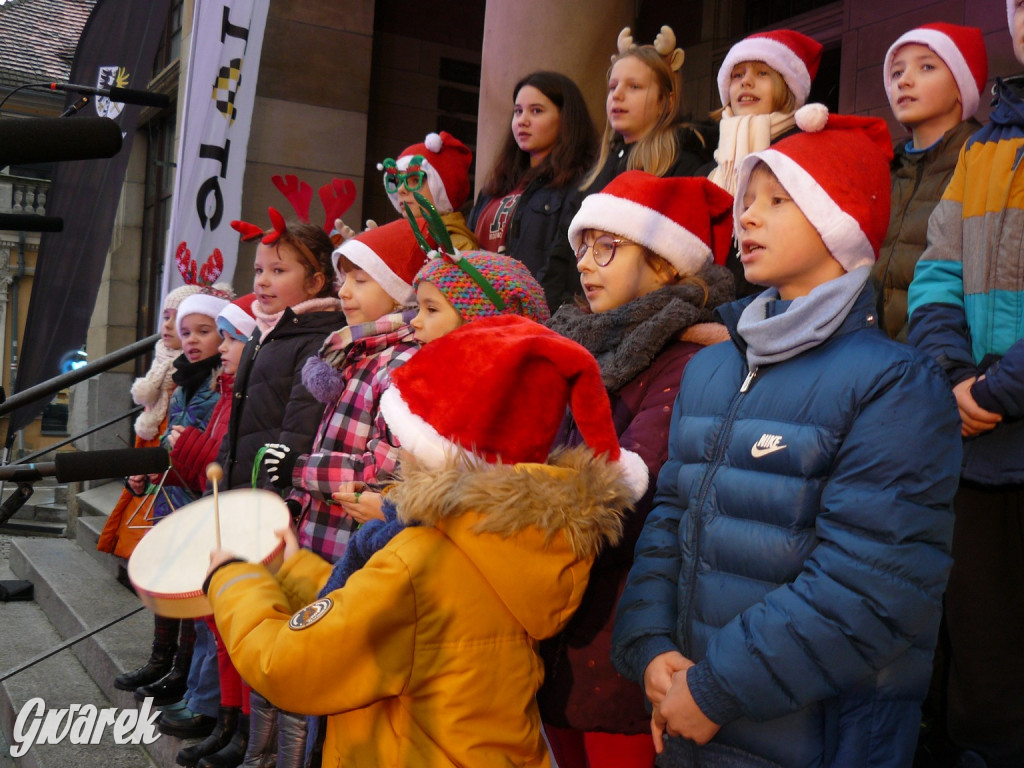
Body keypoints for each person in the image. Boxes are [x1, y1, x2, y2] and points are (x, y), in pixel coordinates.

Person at [612, 107, 963, 767]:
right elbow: (670, 519)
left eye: (778, 201)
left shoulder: (896, 385)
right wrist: (652, 645)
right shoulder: (714, 366)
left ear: (839, 219)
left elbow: (870, 585)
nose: (746, 217)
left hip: (819, 736)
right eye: (746, 200)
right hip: (689, 722)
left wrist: (714, 690)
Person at [204, 314, 649, 767]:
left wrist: (232, 579)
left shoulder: (421, 559)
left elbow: (290, 664)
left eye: (402, 436)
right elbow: (390, 614)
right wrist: (296, 571)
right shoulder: (511, 537)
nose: (395, 450)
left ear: (434, 446)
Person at [541, 172, 735, 768]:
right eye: (582, 247)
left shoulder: (686, 361)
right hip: (557, 613)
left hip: (622, 624)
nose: (586, 264)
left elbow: (630, 490)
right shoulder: (575, 342)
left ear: (668, 265)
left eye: (608, 247)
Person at [906, 5, 1024, 765]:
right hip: (980, 448)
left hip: (998, 411)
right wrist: (953, 377)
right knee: (982, 683)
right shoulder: (990, 142)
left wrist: (1000, 391)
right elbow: (935, 269)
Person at [261, 220, 426, 563]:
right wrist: (299, 501)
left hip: (352, 549)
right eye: (344, 279)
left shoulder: (402, 364)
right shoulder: (358, 351)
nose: (344, 292)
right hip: (321, 537)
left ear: (401, 293)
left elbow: (389, 468)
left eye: (361, 281)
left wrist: (299, 469)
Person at [133, 288, 234, 744]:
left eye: (203, 331)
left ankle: (203, 699)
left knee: (201, 605)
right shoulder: (185, 378)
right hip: (176, 497)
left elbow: (196, 444)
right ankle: (184, 679)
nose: (189, 339)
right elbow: (172, 442)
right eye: (184, 330)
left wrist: (174, 453)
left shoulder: (218, 384)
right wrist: (148, 472)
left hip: (200, 501)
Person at [162, 294, 257, 768]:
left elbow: (222, 460)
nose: (218, 346)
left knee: (222, 621)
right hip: (200, 504)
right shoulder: (217, 388)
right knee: (206, 619)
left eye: (227, 337)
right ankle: (213, 709)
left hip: (225, 511)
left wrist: (190, 448)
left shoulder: (236, 391)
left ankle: (221, 715)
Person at [106, 280, 203, 692]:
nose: (170, 328)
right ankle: (161, 658)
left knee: (185, 580)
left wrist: (157, 466)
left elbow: (187, 440)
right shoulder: (166, 368)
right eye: (167, 318)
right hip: (162, 483)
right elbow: (155, 434)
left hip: (184, 487)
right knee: (163, 573)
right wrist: (141, 469)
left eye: (182, 322)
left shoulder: (195, 379)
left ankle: (179, 668)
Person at [873, 22, 987, 342]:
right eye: (896, 73)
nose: (904, 81)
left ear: (961, 84)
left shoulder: (985, 164)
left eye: (926, 66)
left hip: (946, 363)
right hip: (871, 362)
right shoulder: (885, 171)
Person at [704, 29, 822, 298]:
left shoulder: (803, 155)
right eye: (738, 74)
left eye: (761, 73)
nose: (746, 82)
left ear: (787, 85)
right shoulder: (712, 170)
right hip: (716, 311)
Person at [467, 71, 597, 311]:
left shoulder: (579, 185)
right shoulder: (498, 183)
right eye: (518, 111)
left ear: (565, 118)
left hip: (531, 315)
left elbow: (566, 270)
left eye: (536, 111)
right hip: (476, 309)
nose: (522, 120)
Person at [580, 26, 711, 195]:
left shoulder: (683, 166)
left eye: (634, 86)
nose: (617, 95)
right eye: (613, 87)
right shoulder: (604, 163)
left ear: (665, 101)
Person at [378, 131, 477, 252]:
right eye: (397, 181)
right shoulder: (398, 238)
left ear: (442, 192)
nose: (400, 189)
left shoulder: (459, 248)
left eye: (415, 180)